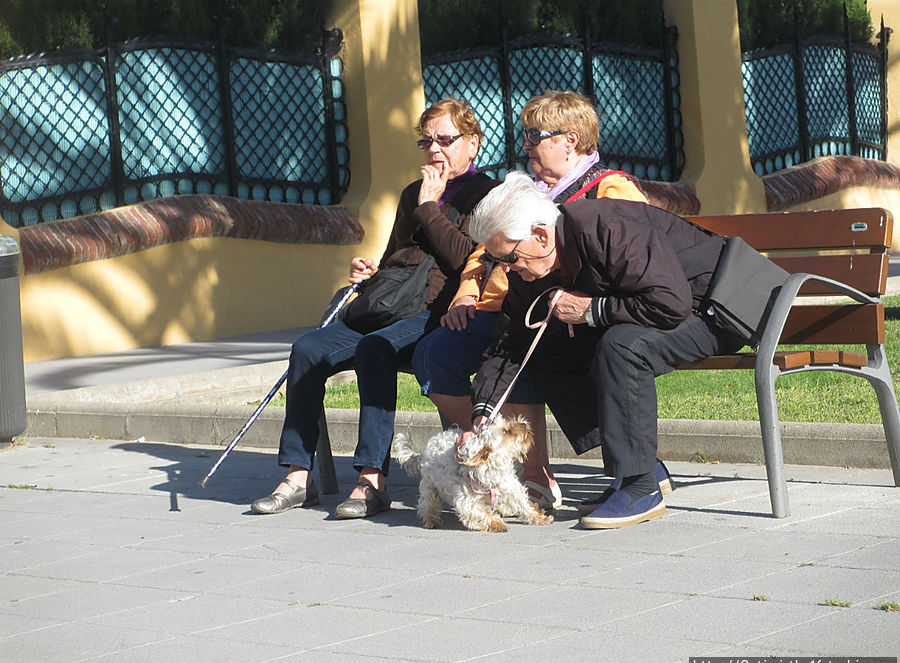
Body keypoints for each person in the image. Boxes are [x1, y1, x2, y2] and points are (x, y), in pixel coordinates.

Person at [251, 98, 497, 518]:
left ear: (472, 143)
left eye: (446, 140)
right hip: (388, 303)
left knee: (375, 350)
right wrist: (370, 271)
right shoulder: (410, 193)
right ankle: (297, 475)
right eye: (426, 142)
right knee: (308, 349)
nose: (434, 150)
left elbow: (465, 260)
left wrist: (429, 207)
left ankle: (371, 479)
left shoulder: (487, 194)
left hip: (436, 309)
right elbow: (397, 257)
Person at [463, 171, 747, 529]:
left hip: (720, 305)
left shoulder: (606, 227)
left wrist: (592, 310)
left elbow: (671, 302)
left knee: (622, 347)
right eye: (497, 260)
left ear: (540, 234)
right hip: (674, 308)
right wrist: (483, 415)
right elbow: (510, 343)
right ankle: (640, 469)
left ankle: (640, 487)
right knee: (548, 349)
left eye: (510, 257)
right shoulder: (531, 271)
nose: (506, 269)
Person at [412, 90, 649, 509]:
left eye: (533, 136)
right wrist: (467, 293)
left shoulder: (611, 189)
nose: (525, 146)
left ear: (569, 140)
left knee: (521, 346)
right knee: (434, 355)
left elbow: (627, 257)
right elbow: (481, 252)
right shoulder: (520, 190)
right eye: (524, 137)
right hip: (500, 306)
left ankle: (533, 471)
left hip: (560, 316)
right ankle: (487, 456)